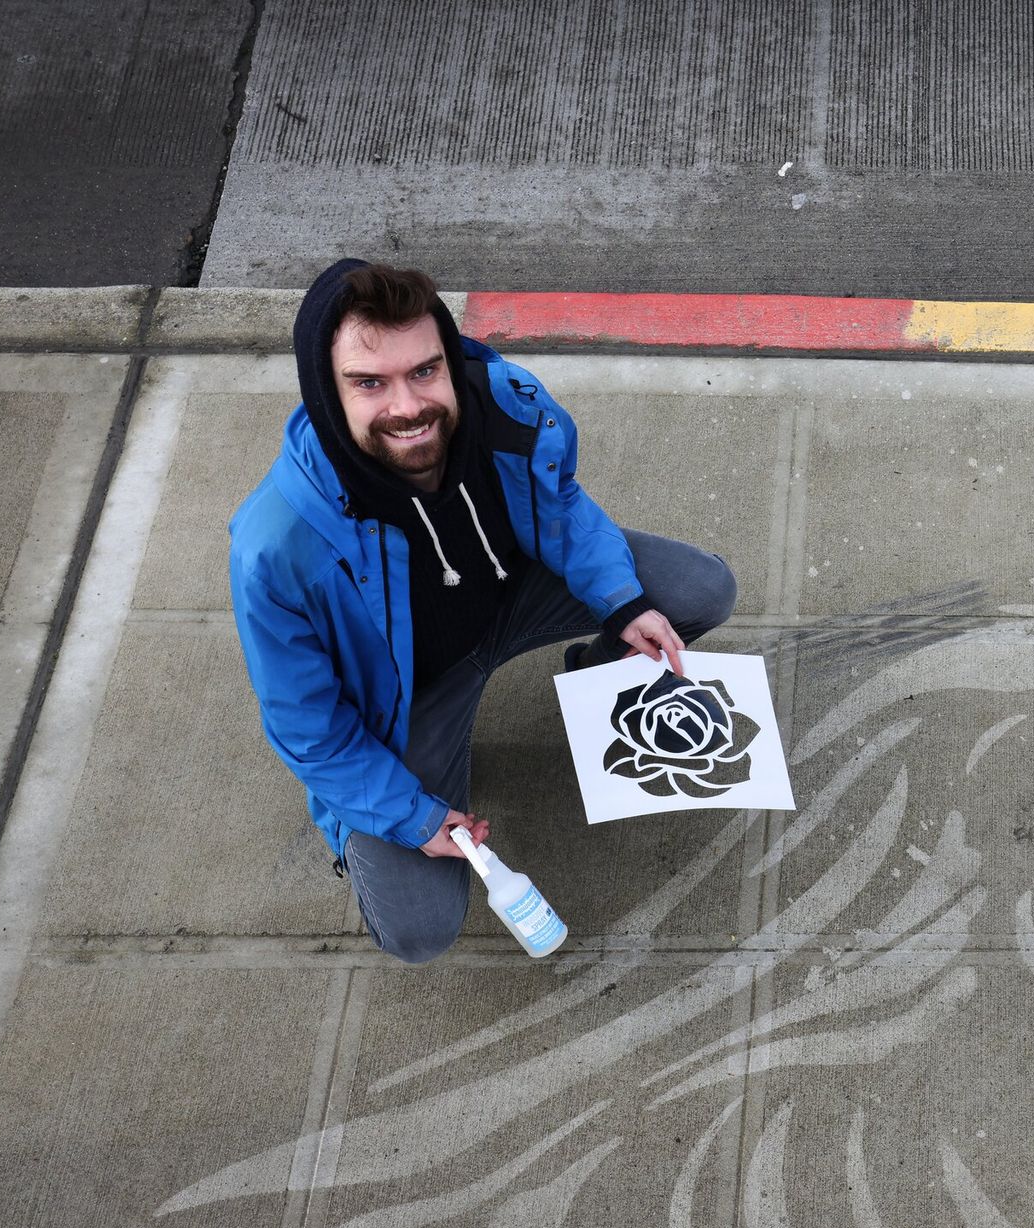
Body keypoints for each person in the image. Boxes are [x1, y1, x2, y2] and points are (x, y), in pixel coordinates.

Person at [229, 260, 736, 963]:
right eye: (369, 383)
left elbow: (560, 507)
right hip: (414, 701)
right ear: (325, 392)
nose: (408, 405)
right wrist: (413, 815)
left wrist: (621, 602)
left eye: (424, 371)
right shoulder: (277, 548)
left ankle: (599, 672)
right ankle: (364, 841)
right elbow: (307, 729)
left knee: (698, 591)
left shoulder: (504, 403)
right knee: (420, 928)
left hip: (511, 595)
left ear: (448, 359)